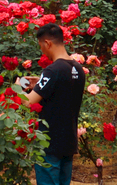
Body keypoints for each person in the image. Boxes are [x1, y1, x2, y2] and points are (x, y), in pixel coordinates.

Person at [21, 23, 86, 185]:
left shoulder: (52, 71)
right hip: (68, 143)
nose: (42, 51)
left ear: (48, 43)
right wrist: (40, 82)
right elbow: (62, 90)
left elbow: (28, 102)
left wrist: (18, 86)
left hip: (48, 145)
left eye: (41, 46)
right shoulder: (78, 69)